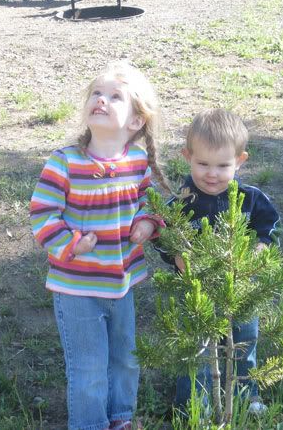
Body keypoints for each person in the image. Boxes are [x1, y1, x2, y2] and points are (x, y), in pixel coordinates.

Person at [30, 61, 170, 430]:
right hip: (76, 286)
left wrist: (147, 222)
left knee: (125, 358)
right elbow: (43, 215)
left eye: (114, 97)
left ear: (136, 121)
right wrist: (71, 244)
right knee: (89, 364)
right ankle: (90, 424)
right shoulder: (65, 163)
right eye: (96, 93)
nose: (101, 101)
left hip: (121, 283)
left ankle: (120, 418)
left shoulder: (136, 161)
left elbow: (149, 201)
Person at [156, 108, 280, 416]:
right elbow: (162, 235)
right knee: (196, 347)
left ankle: (245, 393)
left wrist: (261, 248)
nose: (212, 174)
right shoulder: (182, 203)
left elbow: (269, 225)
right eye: (202, 164)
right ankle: (195, 402)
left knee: (243, 341)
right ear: (187, 156)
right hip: (196, 291)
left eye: (223, 165)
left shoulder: (251, 199)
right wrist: (176, 256)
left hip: (241, 289)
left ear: (240, 161)